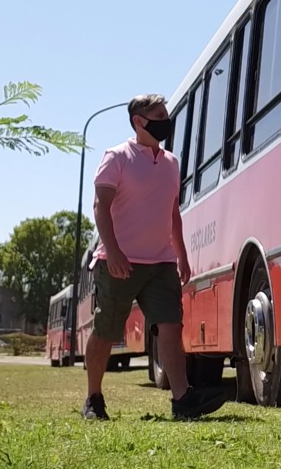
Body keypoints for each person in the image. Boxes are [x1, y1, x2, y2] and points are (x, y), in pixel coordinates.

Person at [81, 94, 227, 421]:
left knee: (171, 326)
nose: (165, 120)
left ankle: (182, 399)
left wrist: (182, 256)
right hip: (119, 263)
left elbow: (172, 213)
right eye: (158, 115)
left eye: (166, 114)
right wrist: (114, 251)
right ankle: (93, 397)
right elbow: (100, 206)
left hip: (161, 263)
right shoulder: (117, 156)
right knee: (106, 330)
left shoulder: (172, 163)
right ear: (139, 121)